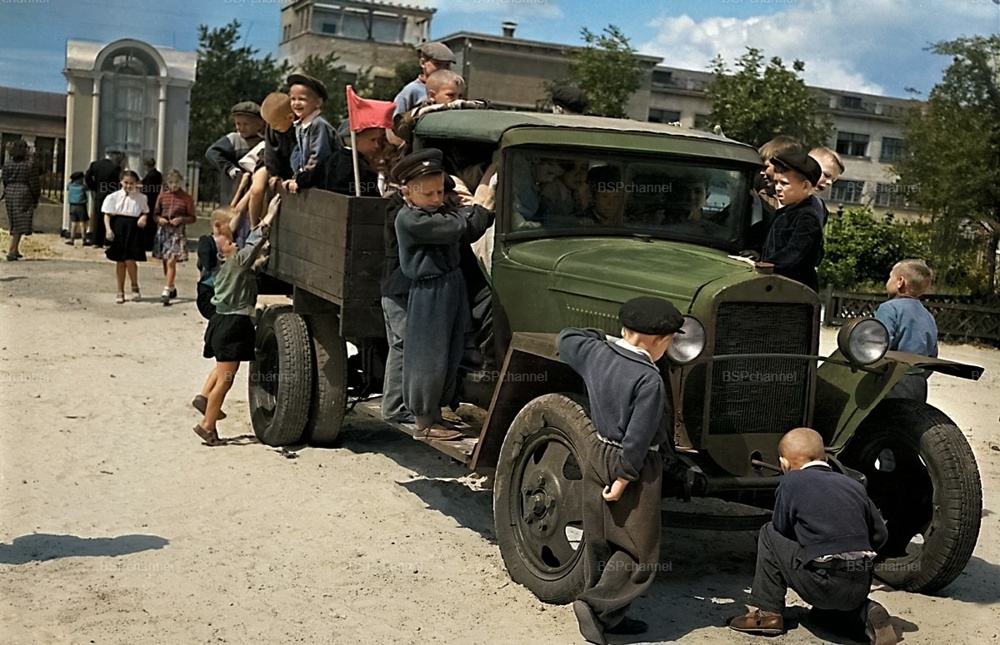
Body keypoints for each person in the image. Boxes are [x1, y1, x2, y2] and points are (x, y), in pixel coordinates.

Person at [558, 296, 685, 645]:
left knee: (599, 537)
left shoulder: (596, 353)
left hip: (597, 450)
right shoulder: (649, 379)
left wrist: (606, 336)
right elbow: (639, 437)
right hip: (635, 466)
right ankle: (597, 607)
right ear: (659, 341)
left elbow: (567, 337)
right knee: (637, 550)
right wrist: (624, 479)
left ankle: (610, 617)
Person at [728, 427, 896, 645]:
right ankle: (865, 613)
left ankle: (767, 612)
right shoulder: (854, 486)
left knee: (769, 533)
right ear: (825, 457)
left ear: (784, 464)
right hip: (858, 584)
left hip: (820, 583)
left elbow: (782, 528)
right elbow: (880, 535)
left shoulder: (790, 482)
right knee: (820, 616)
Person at [393, 148, 494, 439]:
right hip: (430, 290)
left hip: (451, 285)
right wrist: (477, 207)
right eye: (429, 194)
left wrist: (466, 209)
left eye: (440, 192)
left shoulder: (436, 211)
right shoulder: (411, 219)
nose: (437, 199)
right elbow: (458, 228)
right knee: (428, 353)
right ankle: (424, 420)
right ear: (407, 193)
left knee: (450, 350)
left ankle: (437, 413)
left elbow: (465, 225)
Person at [193, 205, 274, 445]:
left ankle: (206, 403)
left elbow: (250, 267)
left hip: (220, 323)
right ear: (223, 253)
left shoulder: (221, 269)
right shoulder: (236, 262)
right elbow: (253, 243)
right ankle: (207, 425)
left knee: (222, 374)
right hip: (233, 326)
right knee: (226, 380)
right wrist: (268, 217)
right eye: (229, 243)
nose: (235, 243)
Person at [874, 259, 939, 402]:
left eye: (890, 277)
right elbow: (933, 354)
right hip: (919, 382)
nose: (887, 282)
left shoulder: (889, 308)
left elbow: (879, 345)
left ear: (900, 282)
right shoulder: (928, 315)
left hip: (893, 380)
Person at [760, 152, 825, 291]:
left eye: (784, 183)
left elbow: (793, 253)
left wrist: (763, 265)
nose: (778, 188)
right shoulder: (784, 213)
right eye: (776, 182)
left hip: (796, 290)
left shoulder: (807, 217)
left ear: (805, 186)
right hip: (777, 286)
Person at [246, 92, 297, 226]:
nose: (272, 127)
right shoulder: (272, 127)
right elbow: (270, 151)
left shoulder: (299, 129)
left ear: (290, 118)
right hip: (269, 162)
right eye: (269, 124)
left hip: (290, 167)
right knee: (256, 190)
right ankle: (254, 226)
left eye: (275, 124)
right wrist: (274, 174)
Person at [282, 74, 335, 194]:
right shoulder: (301, 125)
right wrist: (296, 177)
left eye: (302, 99)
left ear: (318, 102)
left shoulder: (318, 124)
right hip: (309, 179)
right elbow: (299, 157)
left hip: (323, 182)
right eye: (293, 99)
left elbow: (319, 157)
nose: (296, 103)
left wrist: (301, 181)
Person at [102, 169, 150, 303]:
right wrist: (108, 230)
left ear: (136, 183)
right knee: (120, 261)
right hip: (119, 228)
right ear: (121, 182)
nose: (128, 186)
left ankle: (134, 286)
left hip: (133, 229)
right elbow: (107, 214)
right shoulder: (113, 197)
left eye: (131, 183)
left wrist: (143, 218)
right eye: (126, 182)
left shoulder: (141, 198)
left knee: (130, 259)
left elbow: (145, 212)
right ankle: (120, 290)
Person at [152, 169, 196, 305]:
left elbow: (192, 217)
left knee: (172, 260)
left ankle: (166, 290)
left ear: (181, 182)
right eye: (171, 182)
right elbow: (155, 214)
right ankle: (171, 286)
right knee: (165, 260)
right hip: (164, 230)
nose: (174, 185)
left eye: (176, 182)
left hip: (177, 231)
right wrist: (159, 219)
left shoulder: (186, 198)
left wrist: (181, 219)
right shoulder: (162, 196)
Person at [205, 101, 264, 204]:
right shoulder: (233, 139)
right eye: (238, 124)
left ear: (259, 124)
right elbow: (212, 152)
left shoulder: (263, 142)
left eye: (246, 124)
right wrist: (229, 168)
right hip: (233, 191)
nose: (241, 128)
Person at [1, 140, 40, 261]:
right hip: (24, 192)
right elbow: (34, 183)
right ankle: (11, 250)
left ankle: (15, 249)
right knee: (20, 222)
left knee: (14, 221)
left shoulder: (7, 164)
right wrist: (36, 197)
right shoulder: (29, 165)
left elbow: (4, 179)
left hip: (10, 192)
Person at [393, 42, 456, 115]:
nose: (442, 69)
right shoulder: (411, 90)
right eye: (437, 64)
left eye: (447, 65)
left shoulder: (452, 89)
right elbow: (396, 118)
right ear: (423, 63)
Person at [84, 147, 124, 247]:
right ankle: (107, 241)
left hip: (99, 194)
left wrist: (94, 187)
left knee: (98, 217)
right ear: (113, 155)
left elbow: (87, 177)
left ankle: (96, 241)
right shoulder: (115, 167)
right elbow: (117, 183)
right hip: (110, 195)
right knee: (110, 218)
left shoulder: (95, 165)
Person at [809, 146, 845, 227]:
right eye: (826, 175)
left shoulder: (819, 207)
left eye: (833, 180)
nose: (829, 182)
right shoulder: (781, 197)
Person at [140, 157, 164, 251]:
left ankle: (148, 244)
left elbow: (147, 189)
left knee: (149, 223)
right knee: (152, 224)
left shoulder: (151, 175)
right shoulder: (158, 174)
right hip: (155, 199)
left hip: (150, 201)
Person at [65, 170, 89, 246]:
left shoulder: (70, 186)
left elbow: (67, 186)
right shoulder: (82, 187)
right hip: (81, 206)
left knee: (73, 223)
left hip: (72, 206)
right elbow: (87, 188)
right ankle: (84, 239)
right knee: (82, 223)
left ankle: (72, 239)